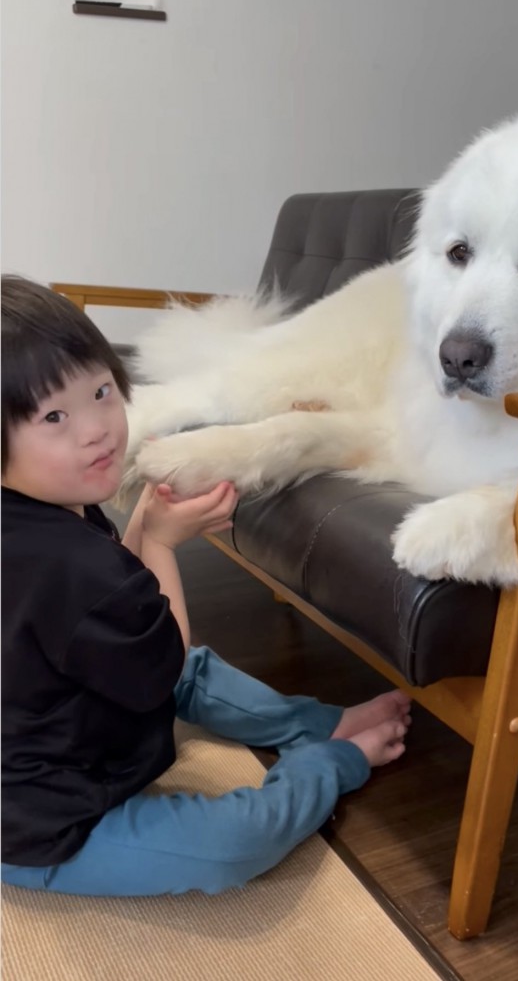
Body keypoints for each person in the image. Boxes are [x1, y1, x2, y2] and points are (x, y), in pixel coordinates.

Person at [1, 275, 410, 897]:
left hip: (60, 706)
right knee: (231, 846)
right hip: (43, 824)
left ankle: (319, 722)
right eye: (55, 416)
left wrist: (141, 522)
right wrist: (161, 542)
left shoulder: (42, 502)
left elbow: (111, 609)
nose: (96, 429)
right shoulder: (58, 562)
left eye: (102, 392)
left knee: (188, 666)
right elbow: (158, 666)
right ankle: (332, 761)